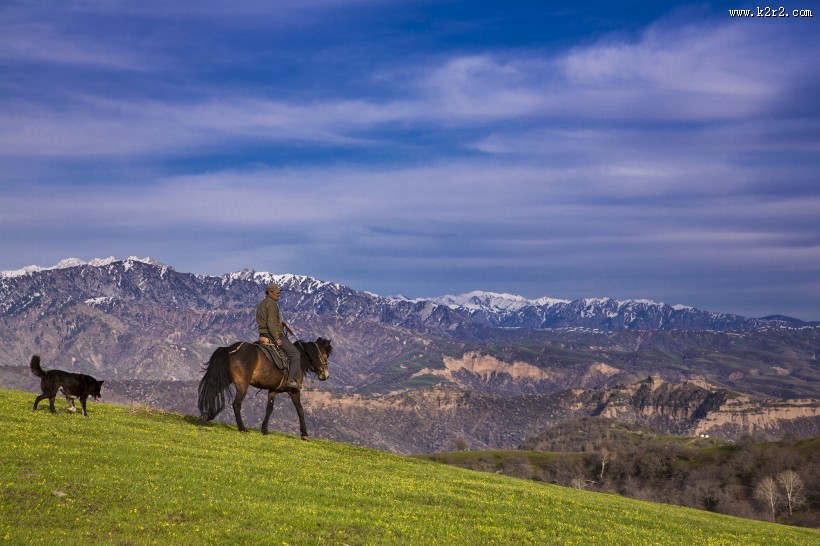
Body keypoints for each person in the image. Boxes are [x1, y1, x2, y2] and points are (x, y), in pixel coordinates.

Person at [256, 282, 301, 389]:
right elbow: (271, 323)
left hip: (263, 333)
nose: (279, 294)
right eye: (276, 292)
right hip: (272, 334)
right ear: (269, 292)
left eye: (279, 292)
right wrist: (277, 337)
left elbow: (265, 320)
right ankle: (292, 380)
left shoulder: (262, 303)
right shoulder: (272, 304)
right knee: (295, 354)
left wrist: (279, 324)